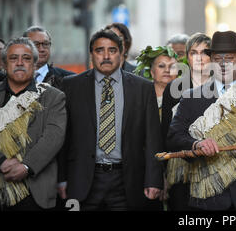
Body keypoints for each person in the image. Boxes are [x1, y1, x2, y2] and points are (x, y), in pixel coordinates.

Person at [166, 31, 236, 211]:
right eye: (218, 58)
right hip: (209, 199)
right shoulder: (191, 97)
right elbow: (174, 137)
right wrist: (196, 144)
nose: (224, 64)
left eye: (230, 58)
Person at [58, 29, 164, 211]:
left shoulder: (143, 88)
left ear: (122, 54)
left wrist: (154, 180)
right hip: (82, 180)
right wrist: (61, 178)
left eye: (112, 50)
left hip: (127, 180)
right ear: (91, 54)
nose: (106, 56)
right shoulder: (70, 86)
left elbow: (153, 139)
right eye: (99, 50)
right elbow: (63, 138)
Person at [0, 37, 66, 210]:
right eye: (13, 58)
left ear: (35, 64)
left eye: (26, 58)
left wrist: (26, 166)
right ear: (5, 64)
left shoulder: (53, 97)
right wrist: (1, 161)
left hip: (36, 193)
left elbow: (53, 137)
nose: (20, 63)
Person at [161, 33, 211, 211]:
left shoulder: (221, 86)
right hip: (180, 167)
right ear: (187, 57)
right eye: (193, 53)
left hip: (213, 165)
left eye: (204, 52)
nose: (199, 58)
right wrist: (162, 175)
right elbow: (165, 132)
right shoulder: (174, 88)